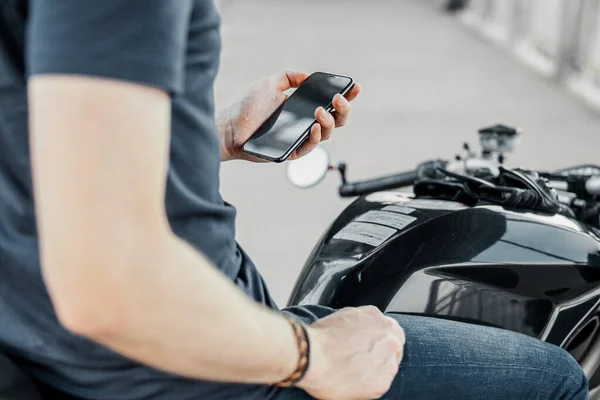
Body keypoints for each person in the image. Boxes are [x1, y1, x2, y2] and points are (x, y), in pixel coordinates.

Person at [0, 1, 589, 399]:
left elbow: (37, 150)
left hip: (34, 334)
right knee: (550, 378)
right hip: (171, 366)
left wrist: (216, 136)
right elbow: (107, 284)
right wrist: (311, 354)